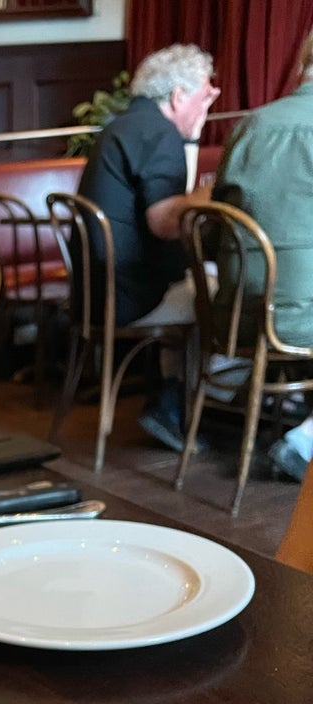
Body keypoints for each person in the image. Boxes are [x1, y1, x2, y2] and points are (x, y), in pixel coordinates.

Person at [77, 44, 220, 449]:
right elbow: (165, 223)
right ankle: (178, 404)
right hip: (127, 296)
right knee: (223, 295)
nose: (206, 106)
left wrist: (194, 133)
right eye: (203, 97)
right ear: (178, 96)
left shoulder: (125, 125)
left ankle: (172, 397)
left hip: (95, 290)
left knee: (200, 284)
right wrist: (212, 192)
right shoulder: (159, 134)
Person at [211, 28, 313, 483]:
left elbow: (215, 223)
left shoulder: (251, 124)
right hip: (299, 318)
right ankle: (303, 441)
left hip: (235, 310)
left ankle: (212, 395)